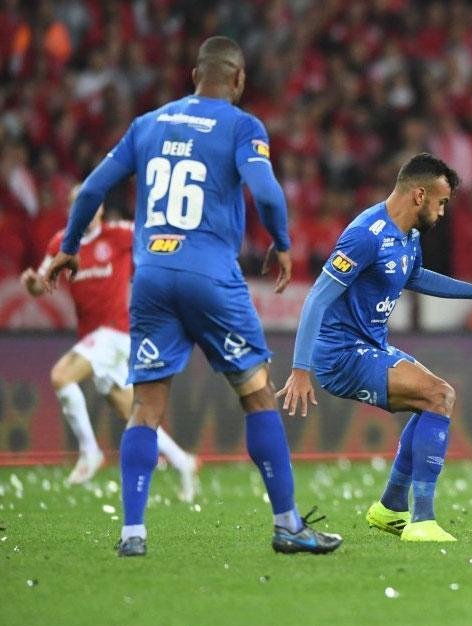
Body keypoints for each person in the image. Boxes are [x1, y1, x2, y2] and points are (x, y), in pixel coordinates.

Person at [44, 36, 342, 557]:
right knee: (255, 394)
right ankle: (288, 524)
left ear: (193, 75)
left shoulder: (147, 125)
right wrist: (283, 243)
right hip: (209, 276)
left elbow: (92, 189)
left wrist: (69, 247)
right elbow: (267, 192)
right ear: (239, 79)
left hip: (152, 276)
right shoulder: (242, 126)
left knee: (146, 407)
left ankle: (133, 533)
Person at [278, 153, 472, 542]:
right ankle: (422, 520)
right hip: (340, 354)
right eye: (441, 202)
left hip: (371, 345)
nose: (443, 212)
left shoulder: (409, 236)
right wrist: (300, 368)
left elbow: (414, 276)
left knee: (433, 400)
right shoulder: (366, 234)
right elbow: (317, 299)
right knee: (439, 394)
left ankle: (391, 508)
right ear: (419, 194)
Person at [21, 186, 197, 500]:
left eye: (91, 205)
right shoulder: (61, 243)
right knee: (134, 412)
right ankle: (183, 461)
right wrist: (33, 283)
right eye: (79, 206)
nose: (86, 211)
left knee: (61, 376)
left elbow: (158, 237)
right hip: (91, 338)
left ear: (100, 208)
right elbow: (41, 284)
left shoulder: (119, 234)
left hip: (116, 334)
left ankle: (90, 452)